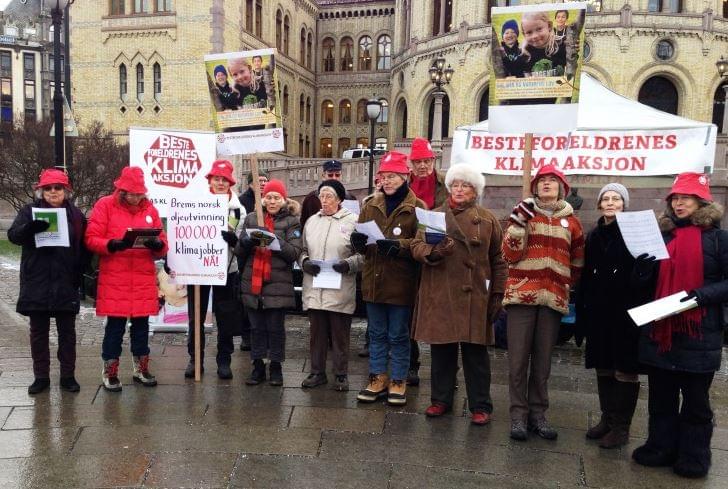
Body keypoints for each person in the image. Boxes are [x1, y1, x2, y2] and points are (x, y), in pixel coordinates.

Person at [632, 173, 728, 479]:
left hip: (699, 330)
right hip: (661, 330)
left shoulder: (718, 239)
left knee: (697, 402)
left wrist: (700, 296)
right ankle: (660, 447)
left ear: (701, 201)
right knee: (661, 397)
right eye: (674, 198)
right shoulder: (662, 237)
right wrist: (642, 269)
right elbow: (641, 287)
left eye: (685, 197)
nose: (678, 202)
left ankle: (694, 456)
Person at [411, 163, 507, 425]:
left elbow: (498, 259)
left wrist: (498, 293)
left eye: (466, 185)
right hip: (440, 292)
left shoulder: (487, 220)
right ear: (449, 187)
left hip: (474, 294)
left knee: (476, 356)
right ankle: (440, 400)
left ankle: (481, 405)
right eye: (456, 184)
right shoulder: (433, 216)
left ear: (475, 190)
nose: (460, 189)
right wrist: (434, 253)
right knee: (442, 352)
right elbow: (416, 246)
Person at [502, 164, 584, 441]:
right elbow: (509, 255)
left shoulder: (572, 222)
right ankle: (518, 417)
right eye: (542, 181)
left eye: (553, 180)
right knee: (517, 362)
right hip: (521, 297)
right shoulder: (523, 213)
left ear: (562, 188)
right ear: (534, 188)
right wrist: (517, 225)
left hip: (553, 300)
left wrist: (564, 286)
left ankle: (538, 414)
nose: (547, 184)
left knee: (542, 362)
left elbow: (577, 261)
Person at [350, 151, 426, 406]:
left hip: (401, 282)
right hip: (374, 280)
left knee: (398, 334)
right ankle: (377, 377)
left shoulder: (417, 208)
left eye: (393, 176)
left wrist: (400, 246)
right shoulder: (370, 204)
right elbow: (361, 240)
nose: (388, 181)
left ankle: (398, 380)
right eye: (384, 176)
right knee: (377, 333)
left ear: (405, 177)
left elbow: (422, 242)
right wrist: (358, 242)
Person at [575, 184, 647, 448]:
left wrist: (641, 273)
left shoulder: (635, 233)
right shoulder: (594, 235)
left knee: (625, 370)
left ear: (624, 204)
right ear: (599, 204)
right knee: (604, 366)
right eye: (606, 198)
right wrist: (582, 311)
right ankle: (607, 418)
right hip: (599, 312)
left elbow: (646, 275)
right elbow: (586, 275)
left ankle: (621, 427)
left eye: (616, 199)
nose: (610, 202)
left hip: (625, 313)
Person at [85, 166, 168, 392]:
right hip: (116, 276)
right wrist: (111, 244)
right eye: (131, 193)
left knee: (142, 327)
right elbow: (92, 238)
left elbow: (162, 242)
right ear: (121, 190)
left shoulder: (150, 209)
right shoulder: (105, 205)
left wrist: (158, 245)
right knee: (115, 327)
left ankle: (141, 368)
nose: (135, 197)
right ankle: (110, 371)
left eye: (139, 193)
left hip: (142, 276)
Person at [8, 169, 88, 394]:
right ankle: (41, 376)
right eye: (49, 188)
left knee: (67, 333)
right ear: (41, 191)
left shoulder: (75, 215)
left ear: (66, 191)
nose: (53, 192)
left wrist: (80, 268)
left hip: (65, 280)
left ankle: (68, 375)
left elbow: (85, 244)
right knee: (38, 332)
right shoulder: (29, 211)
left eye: (58, 188)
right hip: (38, 281)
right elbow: (14, 236)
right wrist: (30, 228)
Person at [234, 179, 302, 387]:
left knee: (275, 328)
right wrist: (245, 243)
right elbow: (239, 252)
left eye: (276, 198)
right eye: (268, 197)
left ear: (283, 200)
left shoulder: (292, 222)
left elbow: (294, 253)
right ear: (263, 199)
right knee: (256, 328)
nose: (272, 201)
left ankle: (275, 366)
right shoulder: (253, 218)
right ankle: (257, 365)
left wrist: (274, 241)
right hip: (253, 282)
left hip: (277, 282)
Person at [183, 160, 246, 380]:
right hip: (198, 269)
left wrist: (234, 240)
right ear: (210, 180)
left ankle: (224, 360)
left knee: (225, 315)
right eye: (216, 178)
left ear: (230, 182)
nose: (220, 182)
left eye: (224, 179)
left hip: (226, 269)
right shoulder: (196, 203)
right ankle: (195, 359)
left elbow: (242, 242)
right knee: (196, 317)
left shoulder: (238, 209)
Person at [299, 179, 362, 391]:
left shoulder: (354, 221)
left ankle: (341, 374)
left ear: (340, 200)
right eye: (322, 196)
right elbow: (302, 250)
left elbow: (364, 255)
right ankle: (317, 372)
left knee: (340, 334)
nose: (324, 201)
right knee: (316, 334)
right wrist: (305, 263)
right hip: (315, 287)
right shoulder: (311, 221)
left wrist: (348, 264)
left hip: (340, 288)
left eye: (329, 197)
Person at [300, 159, 357, 229]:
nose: (334, 178)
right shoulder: (311, 199)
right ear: (323, 176)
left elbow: (356, 225)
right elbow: (304, 225)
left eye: (337, 175)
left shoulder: (350, 198)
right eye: (330, 175)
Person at [520, 12, 566, 78]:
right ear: (524, 34)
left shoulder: (561, 44)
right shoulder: (525, 53)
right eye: (529, 32)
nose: (534, 36)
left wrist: (574, 47)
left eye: (539, 29)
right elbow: (526, 75)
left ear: (549, 26)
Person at [408, 137, 447, 211]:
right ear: (412, 163)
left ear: (432, 161)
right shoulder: (405, 183)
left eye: (426, 161)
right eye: (418, 162)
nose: (422, 166)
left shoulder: (445, 182)